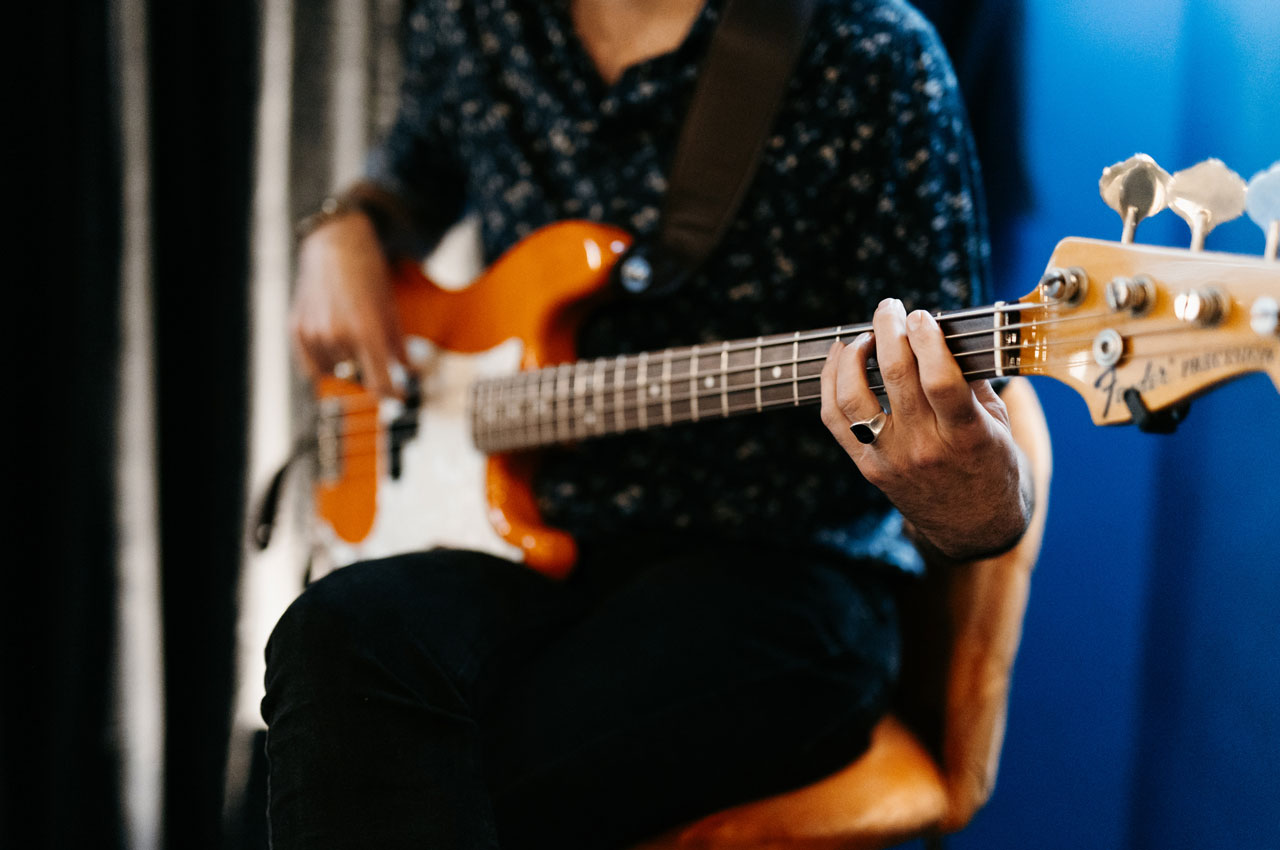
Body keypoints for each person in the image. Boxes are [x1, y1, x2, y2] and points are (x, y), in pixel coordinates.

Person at [264, 0, 1036, 847]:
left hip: (778, 576)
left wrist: (973, 496)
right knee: (332, 635)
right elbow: (413, 168)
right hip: (531, 546)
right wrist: (343, 227)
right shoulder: (478, 19)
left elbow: (962, 440)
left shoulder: (872, 52)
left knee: (387, 776)